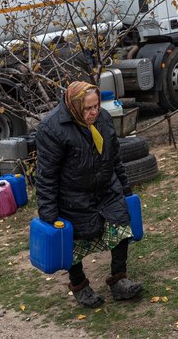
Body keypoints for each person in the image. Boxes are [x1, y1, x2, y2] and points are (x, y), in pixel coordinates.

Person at [35, 81, 142, 308]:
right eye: (87, 108)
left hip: (106, 190)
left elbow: (114, 158)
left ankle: (119, 280)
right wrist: (49, 214)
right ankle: (80, 286)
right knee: (73, 245)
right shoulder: (52, 129)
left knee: (121, 229)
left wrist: (124, 189)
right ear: (74, 106)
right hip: (73, 198)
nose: (94, 112)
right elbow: (46, 176)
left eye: (96, 106)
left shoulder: (102, 118)